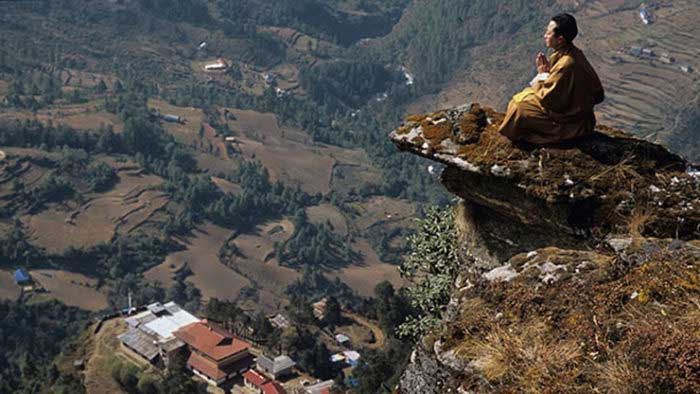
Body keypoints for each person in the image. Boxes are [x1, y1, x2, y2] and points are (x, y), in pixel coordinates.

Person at [498, 13, 604, 144]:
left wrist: (542, 75)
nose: (545, 36)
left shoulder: (566, 64)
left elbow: (547, 99)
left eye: (548, 33)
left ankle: (519, 137)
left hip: (571, 124)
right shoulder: (571, 53)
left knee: (518, 107)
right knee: (525, 94)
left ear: (560, 39)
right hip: (575, 115)